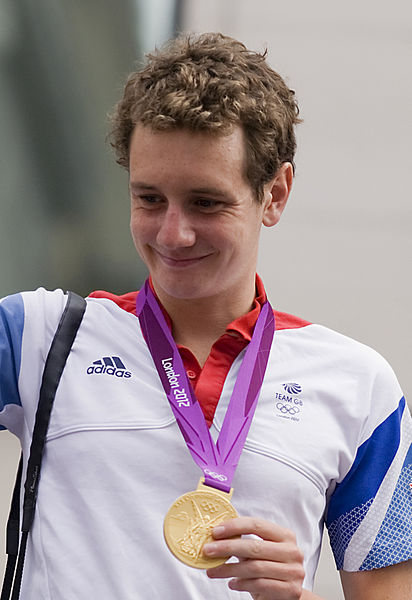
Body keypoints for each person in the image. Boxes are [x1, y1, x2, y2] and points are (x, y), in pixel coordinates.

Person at [1, 32, 411, 600]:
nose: (173, 233)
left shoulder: (359, 387)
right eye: (149, 198)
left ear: (275, 194)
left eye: (206, 202)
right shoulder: (39, 337)